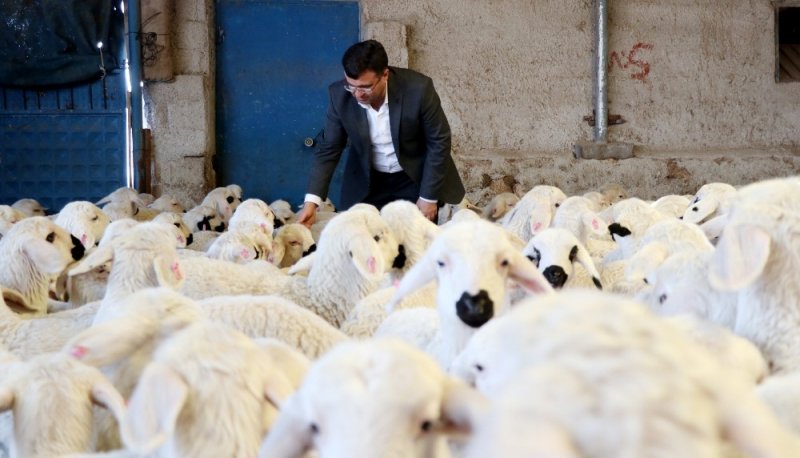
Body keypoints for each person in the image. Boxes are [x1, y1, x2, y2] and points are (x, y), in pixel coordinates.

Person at [296, 39, 465, 227]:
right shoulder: (339, 95)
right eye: (351, 85)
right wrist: (312, 202)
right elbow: (329, 149)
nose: (357, 94)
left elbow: (439, 141)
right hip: (370, 182)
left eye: (365, 87)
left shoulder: (418, 89)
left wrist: (428, 197)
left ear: (385, 75)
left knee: (418, 241)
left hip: (415, 177)